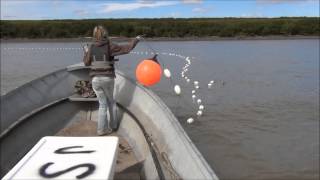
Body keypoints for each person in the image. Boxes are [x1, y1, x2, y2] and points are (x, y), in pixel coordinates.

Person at [83, 25, 141, 135]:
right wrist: (136, 40)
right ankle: (113, 126)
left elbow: (86, 62)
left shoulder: (91, 47)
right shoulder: (110, 45)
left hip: (95, 80)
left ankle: (101, 130)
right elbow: (127, 49)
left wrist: (86, 51)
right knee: (111, 102)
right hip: (108, 78)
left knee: (102, 104)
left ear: (94, 35)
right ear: (105, 34)